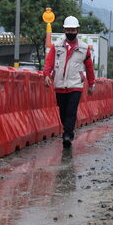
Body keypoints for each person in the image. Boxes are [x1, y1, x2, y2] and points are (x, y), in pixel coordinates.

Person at [43, 16, 95, 148]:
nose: (70, 32)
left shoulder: (84, 48)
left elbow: (89, 67)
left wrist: (91, 83)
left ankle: (68, 134)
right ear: (64, 30)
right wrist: (46, 75)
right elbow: (49, 62)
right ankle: (67, 129)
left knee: (71, 110)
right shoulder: (57, 47)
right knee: (63, 110)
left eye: (73, 30)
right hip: (60, 84)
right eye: (68, 30)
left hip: (75, 85)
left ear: (77, 30)